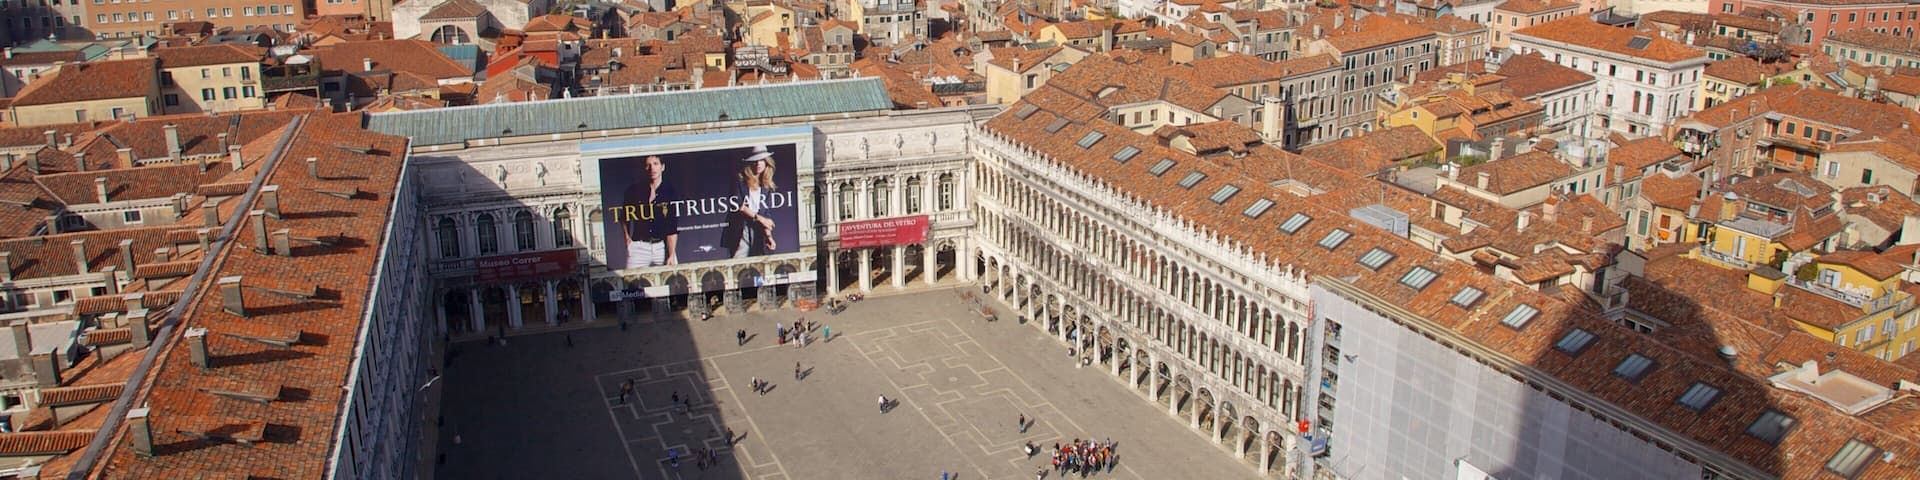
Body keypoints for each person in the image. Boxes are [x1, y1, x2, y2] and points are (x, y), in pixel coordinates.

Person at [619, 155, 680, 269]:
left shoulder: (670, 192)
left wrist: (671, 254)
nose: (652, 168)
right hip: (639, 247)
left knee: (673, 282)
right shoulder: (633, 190)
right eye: (648, 165)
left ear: (662, 167)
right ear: (644, 168)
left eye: (655, 164)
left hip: (663, 247)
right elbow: (624, 216)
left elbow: (672, 226)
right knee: (630, 283)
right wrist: (627, 239)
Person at [723, 146, 779, 258]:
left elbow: (765, 213)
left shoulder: (766, 186)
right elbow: (739, 206)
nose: (758, 163)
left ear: (767, 162)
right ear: (750, 163)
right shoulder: (740, 180)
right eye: (755, 160)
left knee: (758, 266)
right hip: (741, 230)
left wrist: (769, 236)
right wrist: (761, 219)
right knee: (739, 264)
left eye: (762, 160)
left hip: (758, 231)